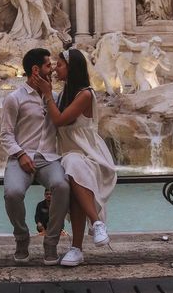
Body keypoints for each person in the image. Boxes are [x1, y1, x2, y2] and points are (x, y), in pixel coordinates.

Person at [33, 48, 117, 267]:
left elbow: (60, 120)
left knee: (72, 164)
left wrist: (47, 93)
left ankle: (96, 224)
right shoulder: (65, 95)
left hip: (90, 154)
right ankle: (77, 249)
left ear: (71, 68)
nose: (55, 68)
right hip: (71, 156)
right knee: (73, 181)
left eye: (59, 65)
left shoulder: (85, 94)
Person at [0, 48, 69, 265]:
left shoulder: (56, 98)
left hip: (49, 158)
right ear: (36, 70)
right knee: (12, 193)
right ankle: (21, 238)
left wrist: (48, 96)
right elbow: (5, 135)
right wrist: (20, 154)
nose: (54, 70)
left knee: (62, 186)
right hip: (21, 158)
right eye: (49, 66)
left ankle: (51, 242)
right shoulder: (14, 98)